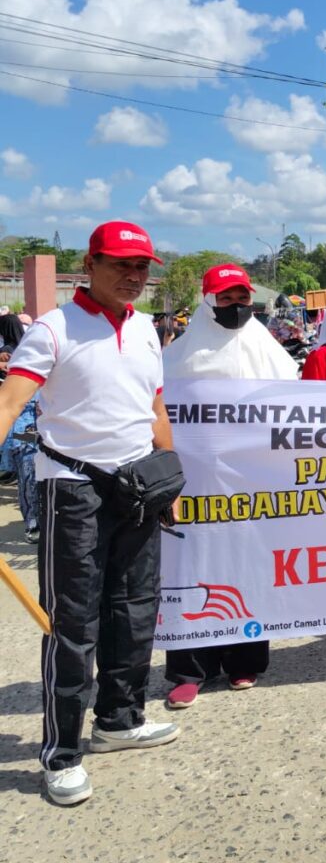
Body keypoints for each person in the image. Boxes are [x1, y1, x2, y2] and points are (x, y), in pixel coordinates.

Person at [0, 220, 180, 807]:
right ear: (91, 262)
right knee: (73, 626)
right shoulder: (53, 330)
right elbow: (10, 402)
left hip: (137, 490)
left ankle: (119, 721)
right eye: (121, 264)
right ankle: (62, 753)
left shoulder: (149, 331)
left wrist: (168, 472)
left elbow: (152, 405)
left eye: (142, 267)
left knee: (133, 610)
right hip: (72, 490)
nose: (134, 276)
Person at [162, 264, 297, 709]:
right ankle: (189, 670)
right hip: (194, 485)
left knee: (245, 566)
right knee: (191, 567)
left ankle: (244, 660)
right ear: (207, 301)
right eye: (225, 299)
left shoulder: (268, 349)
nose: (236, 307)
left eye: (242, 299)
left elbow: (293, 406)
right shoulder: (179, 355)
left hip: (249, 486)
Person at [0, 336, 40, 543]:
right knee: (28, 475)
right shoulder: (13, 379)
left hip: (49, 433)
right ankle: (32, 521)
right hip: (25, 432)